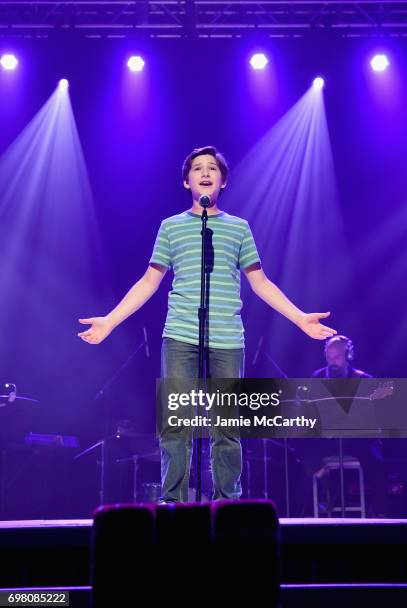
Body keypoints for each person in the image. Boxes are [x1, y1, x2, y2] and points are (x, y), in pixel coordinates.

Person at [78, 145, 337, 503]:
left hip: (228, 338)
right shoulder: (171, 227)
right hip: (181, 334)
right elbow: (149, 281)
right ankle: (173, 502)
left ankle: (228, 505)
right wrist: (109, 320)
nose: (204, 172)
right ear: (186, 181)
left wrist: (299, 317)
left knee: (227, 427)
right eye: (197, 168)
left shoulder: (238, 228)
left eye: (212, 168)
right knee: (176, 423)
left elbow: (260, 282)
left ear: (223, 181)